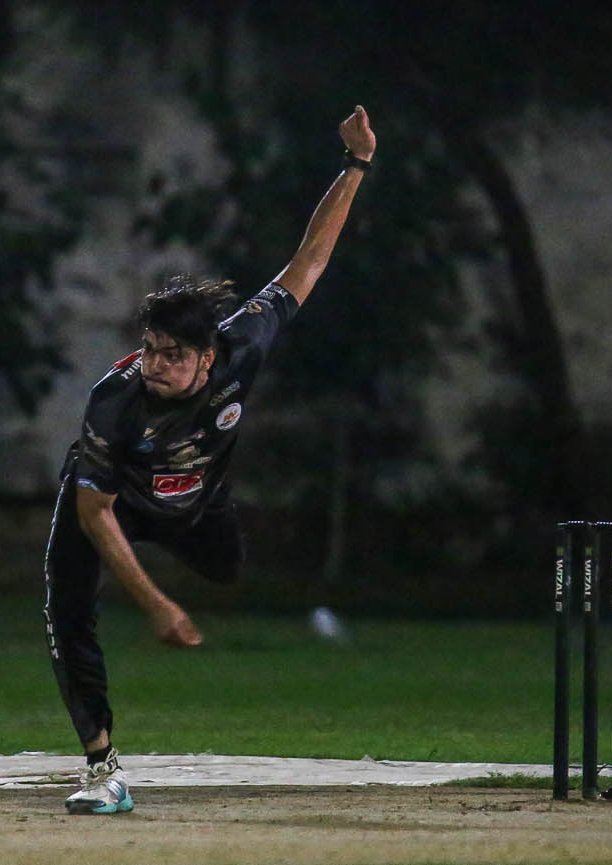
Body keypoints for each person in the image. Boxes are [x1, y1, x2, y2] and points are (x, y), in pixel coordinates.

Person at [42, 106, 376, 814]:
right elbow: (97, 516)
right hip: (111, 499)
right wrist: (156, 604)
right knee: (68, 611)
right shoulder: (115, 400)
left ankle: (199, 518)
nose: (155, 365)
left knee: (226, 567)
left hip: (194, 500)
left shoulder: (241, 344)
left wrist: (356, 165)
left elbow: (309, 261)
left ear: (207, 356)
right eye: (149, 349)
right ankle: (102, 768)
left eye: (173, 355)